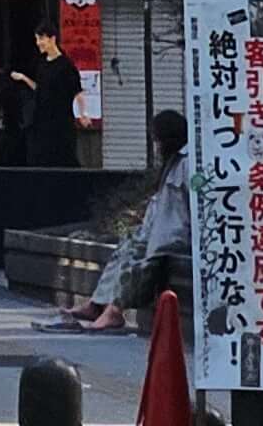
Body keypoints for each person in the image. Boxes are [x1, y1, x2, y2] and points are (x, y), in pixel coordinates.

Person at [81, 112, 192, 332]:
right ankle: (98, 303)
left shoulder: (186, 163)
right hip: (158, 231)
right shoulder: (172, 162)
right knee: (124, 248)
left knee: (138, 260)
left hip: (173, 236)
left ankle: (114, 310)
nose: (156, 145)